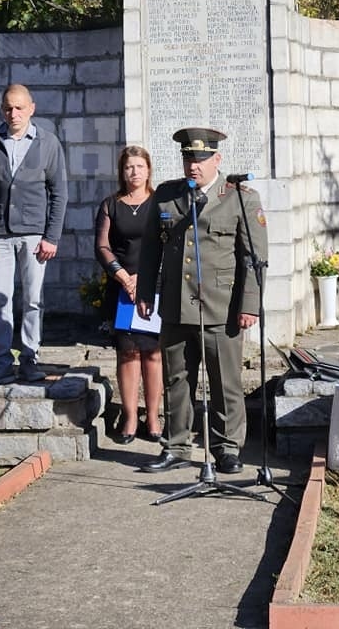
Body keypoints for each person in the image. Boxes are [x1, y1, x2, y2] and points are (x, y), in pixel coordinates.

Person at [136, 127, 268, 474]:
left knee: (226, 381)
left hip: (221, 307)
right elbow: (151, 249)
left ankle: (227, 447)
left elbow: (253, 259)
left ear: (217, 159)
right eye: (188, 158)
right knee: (176, 379)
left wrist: (249, 305)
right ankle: (177, 446)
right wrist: (146, 293)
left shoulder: (240, 197)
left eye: (201, 159)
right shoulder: (166, 196)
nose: (193, 166)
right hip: (177, 306)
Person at [0, 83, 68, 384]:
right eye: (8, 108)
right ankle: (1, 363)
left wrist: (51, 236)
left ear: (31, 108)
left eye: (19, 107)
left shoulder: (48, 143)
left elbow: (59, 192)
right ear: (2, 110)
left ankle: (29, 359)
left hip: (34, 236)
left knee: (33, 300)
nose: (14, 113)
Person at [95, 146, 163, 444]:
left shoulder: (161, 203)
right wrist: (122, 275)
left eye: (139, 166)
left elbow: (169, 243)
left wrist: (145, 278)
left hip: (155, 288)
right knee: (128, 352)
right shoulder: (111, 204)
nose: (134, 172)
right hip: (122, 288)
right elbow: (102, 245)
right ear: (122, 172)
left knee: (153, 352)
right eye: (128, 167)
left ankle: (153, 417)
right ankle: (130, 417)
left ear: (148, 169)